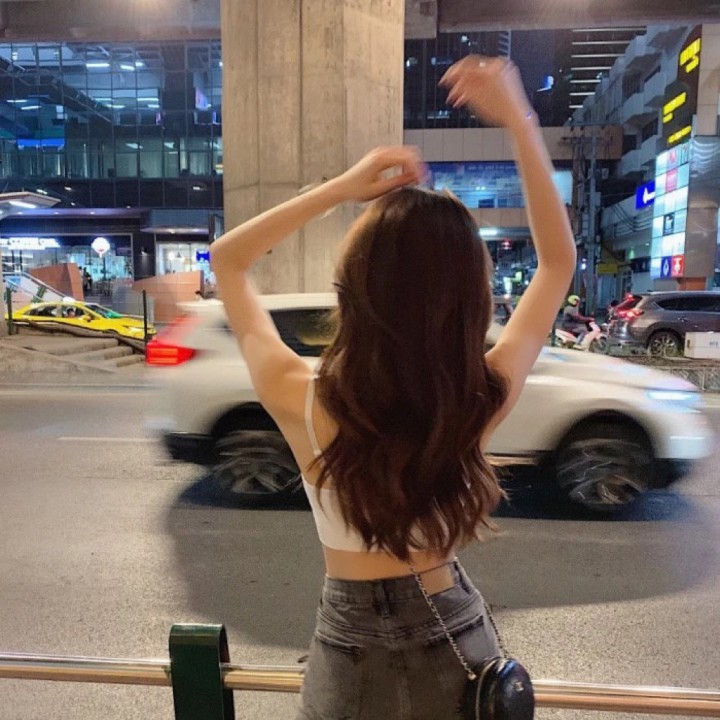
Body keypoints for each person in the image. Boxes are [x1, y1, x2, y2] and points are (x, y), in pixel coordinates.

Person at [211, 56, 576, 719]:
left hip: (346, 646)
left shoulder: (300, 395)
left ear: (355, 283)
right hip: (454, 630)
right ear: (468, 297)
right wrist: (520, 120)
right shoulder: (476, 395)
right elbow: (557, 263)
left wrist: (342, 189)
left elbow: (229, 259)